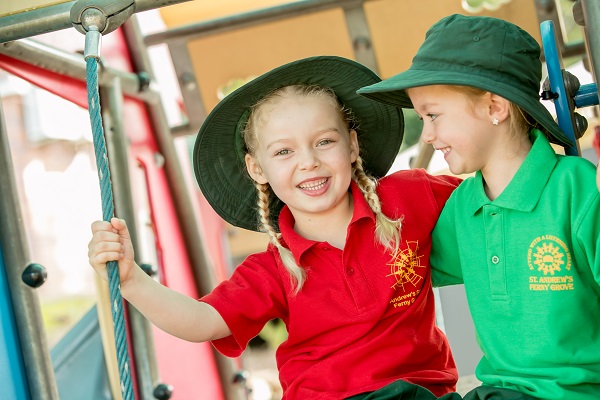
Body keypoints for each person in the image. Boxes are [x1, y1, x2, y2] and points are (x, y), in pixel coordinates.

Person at [88, 55, 463, 399]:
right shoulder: (274, 268)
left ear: (352, 146)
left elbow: (494, 195)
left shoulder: (409, 196)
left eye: (325, 141)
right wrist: (132, 280)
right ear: (258, 169)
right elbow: (203, 321)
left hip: (420, 391)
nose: (308, 162)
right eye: (284, 151)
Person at [358, 14, 600, 400]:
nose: (429, 135)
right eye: (422, 119)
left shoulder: (578, 190)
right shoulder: (461, 208)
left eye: (433, 115)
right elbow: (402, 272)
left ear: (494, 107)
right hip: (496, 393)